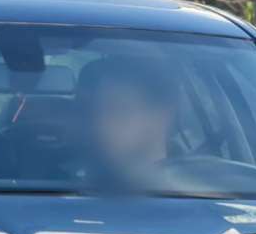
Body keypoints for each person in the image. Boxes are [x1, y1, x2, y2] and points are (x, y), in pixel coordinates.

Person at [76, 57, 179, 189]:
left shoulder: (200, 181)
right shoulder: (68, 178)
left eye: (118, 110)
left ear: (163, 115)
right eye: (92, 112)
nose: (100, 125)